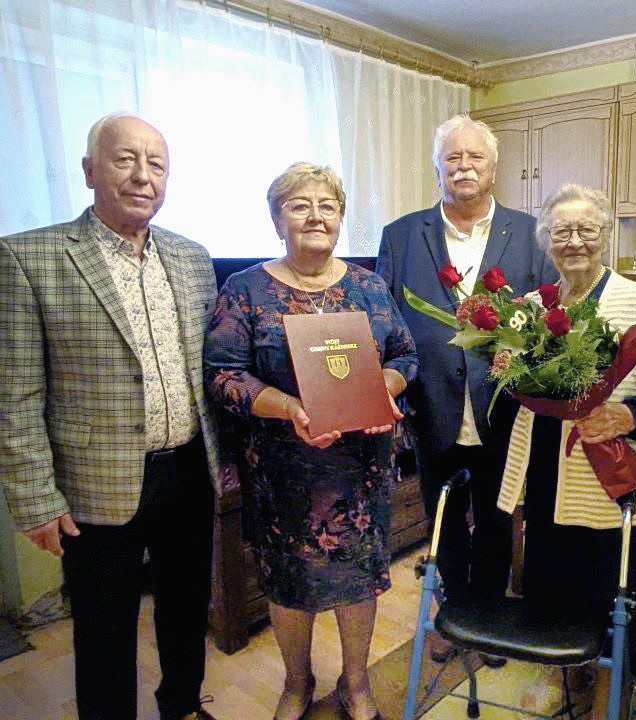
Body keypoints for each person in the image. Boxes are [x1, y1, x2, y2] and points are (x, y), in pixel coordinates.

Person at [0, 113, 221, 720]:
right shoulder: (28, 257)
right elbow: (14, 395)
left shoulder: (192, 257)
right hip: (94, 483)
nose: (143, 175)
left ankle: (181, 705)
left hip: (188, 471)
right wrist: (35, 499)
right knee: (104, 629)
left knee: (186, 608)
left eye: (157, 163)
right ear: (89, 170)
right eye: (125, 159)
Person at [204, 162, 417, 720]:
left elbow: (404, 356)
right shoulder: (245, 290)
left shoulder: (369, 286)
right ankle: (297, 683)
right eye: (299, 205)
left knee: (359, 581)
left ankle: (356, 683)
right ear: (277, 220)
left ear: (341, 218)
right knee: (289, 582)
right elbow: (223, 375)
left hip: (361, 470)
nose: (316, 216)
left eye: (328, 205)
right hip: (284, 475)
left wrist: (385, 390)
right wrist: (290, 407)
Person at [495, 183, 636, 719]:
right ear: (546, 242)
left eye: (586, 229)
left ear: (605, 236)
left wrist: (628, 415)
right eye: (562, 231)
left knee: (615, 586)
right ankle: (563, 674)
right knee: (552, 580)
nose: (575, 241)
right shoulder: (531, 308)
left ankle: (613, 683)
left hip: (613, 474)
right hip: (549, 470)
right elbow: (516, 389)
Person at [376, 115, 557, 638]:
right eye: (452, 158)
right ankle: (454, 617)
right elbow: (383, 325)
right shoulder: (401, 236)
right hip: (432, 407)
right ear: (437, 170)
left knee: (499, 519)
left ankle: (491, 616)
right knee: (444, 521)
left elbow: (551, 318)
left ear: (494, 167)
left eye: (475, 156)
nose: (464, 167)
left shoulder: (531, 234)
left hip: (506, 410)